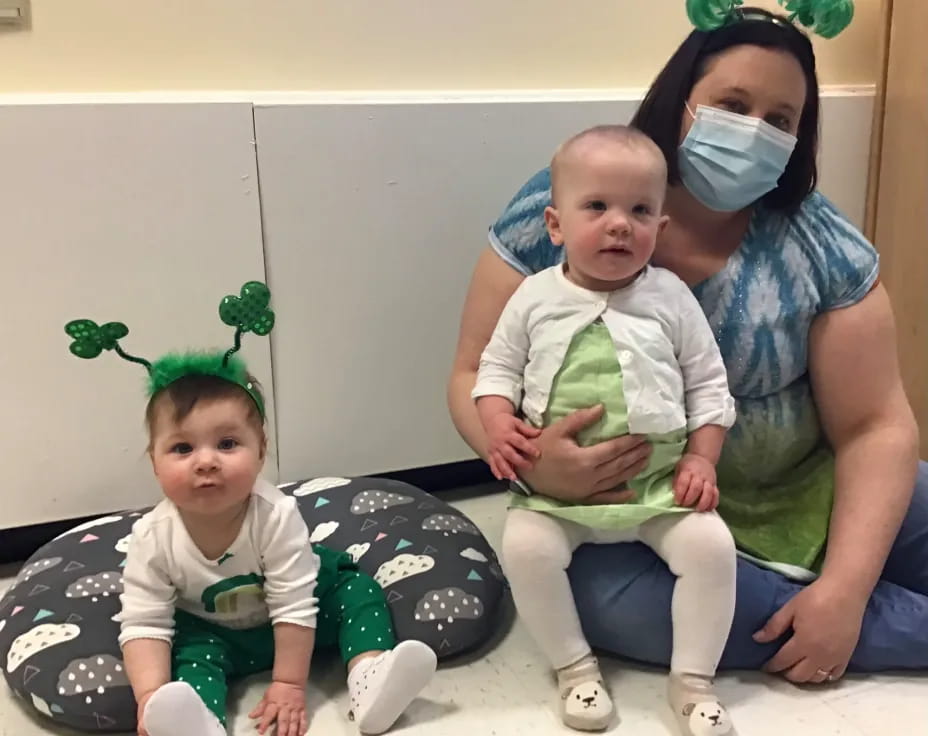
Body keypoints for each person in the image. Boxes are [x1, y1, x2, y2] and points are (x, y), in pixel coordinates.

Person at [448, 5, 927, 687]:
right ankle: (863, 623)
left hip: (810, 489)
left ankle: (839, 607)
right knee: (610, 607)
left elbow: (876, 428)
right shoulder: (566, 201)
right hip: (631, 510)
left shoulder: (821, 244)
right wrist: (531, 468)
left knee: (897, 522)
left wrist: (847, 590)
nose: (755, 132)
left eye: (780, 120)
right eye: (733, 104)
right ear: (679, 102)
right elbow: (473, 371)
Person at [65, 282, 436, 736]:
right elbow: (145, 620)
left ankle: (369, 675)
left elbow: (296, 603)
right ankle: (193, 722)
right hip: (213, 633)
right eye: (182, 447)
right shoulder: (153, 537)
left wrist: (288, 683)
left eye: (227, 443)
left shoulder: (275, 515)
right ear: (154, 463)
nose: (206, 461)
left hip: (300, 620)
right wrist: (149, 697)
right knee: (190, 662)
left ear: (261, 453)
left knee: (357, 594)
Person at [473, 125, 738, 735]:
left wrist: (702, 460)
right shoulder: (535, 297)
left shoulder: (670, 297)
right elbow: (495, 368)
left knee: (712, 549)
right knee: (524, 547)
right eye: (597, 207)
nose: (620, 224)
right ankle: (574, 669)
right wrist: (497, 427)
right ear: (555, 224)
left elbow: (708, 386)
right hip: (553, 497)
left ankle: (693, 683)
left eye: (640, 210)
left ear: (660, 230)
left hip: (658, 490)